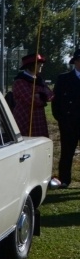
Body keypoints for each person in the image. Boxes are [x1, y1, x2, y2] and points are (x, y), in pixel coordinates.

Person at [51, 49, 80, 188]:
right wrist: (62, 120)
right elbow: (56, 102)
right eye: (79, 60)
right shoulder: (64, 78)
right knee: (67, 153)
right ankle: (64, 180)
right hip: (69, 123)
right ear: (74, 62)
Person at [11, 52, 53, 137]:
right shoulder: (20, 81)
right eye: (38, 63)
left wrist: (39, 95)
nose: (41, 65)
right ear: (30, 65)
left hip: (39, 118)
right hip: (25, 117)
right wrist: (42, 95)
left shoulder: (39, 80)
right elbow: (31, 100)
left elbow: (51, 95)